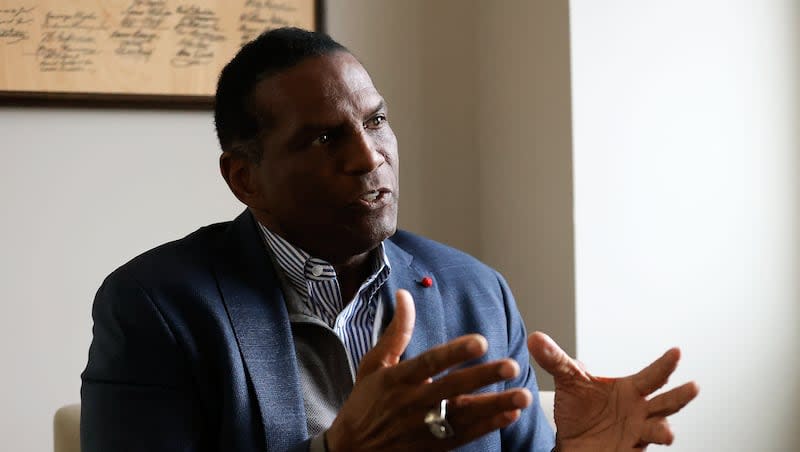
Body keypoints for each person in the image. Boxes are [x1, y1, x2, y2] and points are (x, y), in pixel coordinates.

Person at [81, 27, 698, 452]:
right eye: (324, 139)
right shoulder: (157, 306)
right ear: (245, 178)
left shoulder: (474, 292)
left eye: (375, 121)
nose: (368, 156)